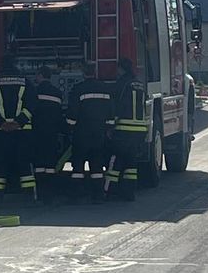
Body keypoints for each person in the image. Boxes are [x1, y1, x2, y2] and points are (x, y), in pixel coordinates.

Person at [0, 54, 36, 203]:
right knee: (24, 164)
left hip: (0, 132)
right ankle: (29, 197)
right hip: (22, 132)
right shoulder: (25, 81)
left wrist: (1, 123)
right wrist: (19, 122)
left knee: (0, 164)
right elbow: (32, 103)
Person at [66, 63, 114, 201]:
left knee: (78, 165)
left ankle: (76, 195)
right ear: (95, 72)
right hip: (99, 134)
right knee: (97, 165)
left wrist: (69, 128)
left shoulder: (78, 89)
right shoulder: (105, 89)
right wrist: (108, 129)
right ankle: (98, 195)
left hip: (81, 134)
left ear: (83, 72)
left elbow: (72, 112)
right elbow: (111, 112)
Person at [105, 57, 148, 201]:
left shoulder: (121, 84)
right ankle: (129, 193)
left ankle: (109, 191)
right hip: (139, 131)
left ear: (121, 69)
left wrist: (110, 126)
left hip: (124, 130)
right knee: (131, 164)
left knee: (116, 160)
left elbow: (116, 106)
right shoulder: (140, 84)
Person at [31, 65, 65, 203]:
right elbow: (59, 114)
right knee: (50, 162)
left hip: (37, 131)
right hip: (52, 132)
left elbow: (31, 111)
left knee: (39, 162)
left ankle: (40, 190)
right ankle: (50, 191)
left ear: (40, 75)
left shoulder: (34, 91)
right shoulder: (57, 93)